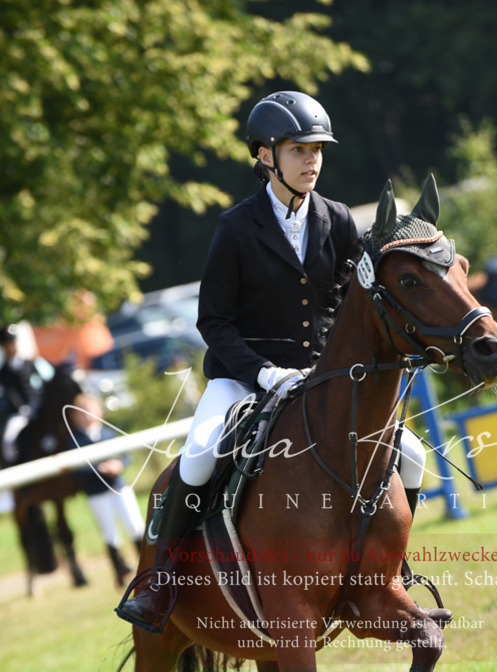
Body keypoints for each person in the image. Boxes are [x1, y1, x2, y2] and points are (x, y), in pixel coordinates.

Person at [116, 90, 427, 632]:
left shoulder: (336, 218)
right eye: (298, 149)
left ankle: (386, 568)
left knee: (415, 456)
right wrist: (261, 371)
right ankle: (162, 582)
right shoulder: (236, 228)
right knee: (198, 457)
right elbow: (213, 322)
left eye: (318, 150)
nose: (312, 160)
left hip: (320, 378)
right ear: (265, 155)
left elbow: (352, 302)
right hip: (244, 378)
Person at [69, 393, 146, 586]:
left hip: (119, 487)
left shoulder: (108, 433)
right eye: (82, 413)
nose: (87, 416)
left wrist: (119, 464)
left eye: (90, 411)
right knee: (110, 533)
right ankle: (119, 570)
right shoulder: (75, 440)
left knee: (135, 525)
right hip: (97, 492)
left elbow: (125, 454)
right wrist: (99, 469)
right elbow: (76, 467)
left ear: (99, 412)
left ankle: (146, 564)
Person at [0, 323, 46, 465]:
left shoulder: (30, 363)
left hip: (37, 408)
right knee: (9, 437)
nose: (11, 346)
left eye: (13, 342)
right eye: (8, 344)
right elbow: (11, 393)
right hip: (19, 412)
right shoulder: (4, 372)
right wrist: (22, 408)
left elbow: (40, 384)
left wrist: (34, 404)